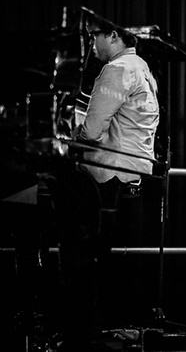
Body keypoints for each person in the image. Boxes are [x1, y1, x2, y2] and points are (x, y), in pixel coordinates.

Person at [51, 22, 160, 350]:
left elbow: (93, 131)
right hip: (134, 173)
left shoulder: (117, 70)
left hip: (109, 175)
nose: (91, 43)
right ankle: (114, 327)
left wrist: (68, 136)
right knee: (119, 257)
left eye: (94, 36)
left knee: (89, 258)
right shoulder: (142, 68)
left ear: (113, 35)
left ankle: (87, 334)